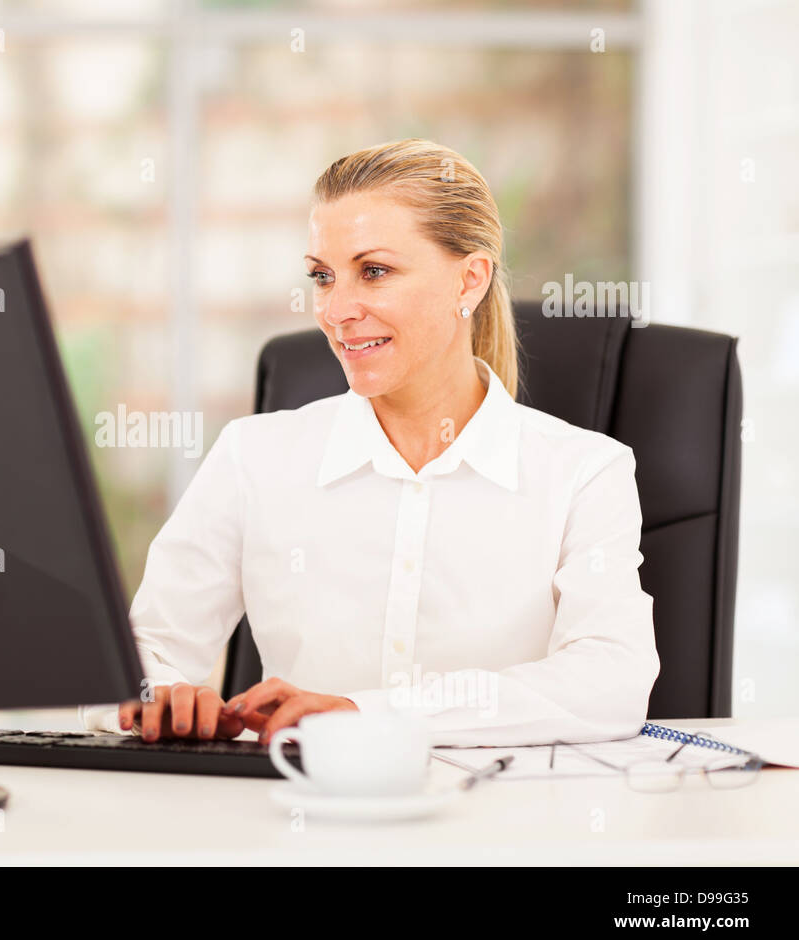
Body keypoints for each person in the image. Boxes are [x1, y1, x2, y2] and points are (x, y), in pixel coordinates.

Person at [80, 138, 658, 748]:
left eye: (374, 272)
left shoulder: (584, 472)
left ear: (470, 280)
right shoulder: (255, 456)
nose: (337, 310)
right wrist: (159, 695)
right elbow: (135, 657)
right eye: (323, 277)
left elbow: (610, 682)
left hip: (499, 827)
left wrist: (365, 712)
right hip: (296, 821)